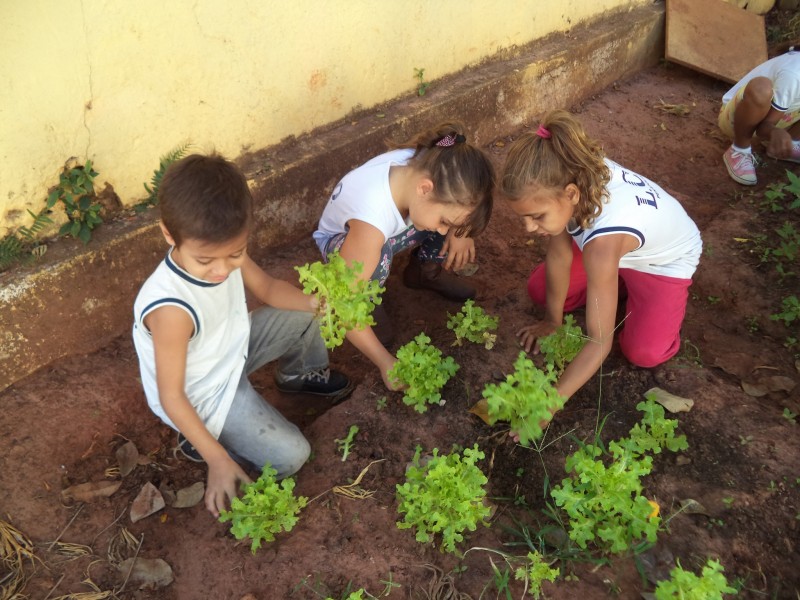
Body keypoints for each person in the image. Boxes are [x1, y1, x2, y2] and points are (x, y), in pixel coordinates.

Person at [132, 153, 352, 518]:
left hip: (233, 346)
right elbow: (172, 395)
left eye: (235, 253)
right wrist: (216, 461)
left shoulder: (221, 250)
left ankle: (299, 375)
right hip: (205, 395)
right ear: (169, 234)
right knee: (294, 455)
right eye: (206, 261)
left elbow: (266, 287)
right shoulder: (171, 309)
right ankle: (202, 441)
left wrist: (317, 302)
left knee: (303, 314)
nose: (221, 269)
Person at [500, 110, 702, 405]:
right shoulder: (566, 179)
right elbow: (559, 255)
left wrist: (549, 405)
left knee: (643, 353)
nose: (529, 228)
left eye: (536, 217)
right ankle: (613, 284)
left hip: (662, 260)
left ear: (570, 194)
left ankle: (624, 288)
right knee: (541, 291)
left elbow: (598, 342)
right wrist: (552, 321)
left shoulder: (601, 243)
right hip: (618, 247)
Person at [312, 123, 495, 389]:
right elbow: (343, 302)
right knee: (379, 253)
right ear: (424, 189)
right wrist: (385, 361)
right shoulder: (371, 223)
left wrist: (459, 232)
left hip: (392, 228)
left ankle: (424, 271)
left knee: (438, 223)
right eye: (446, 221)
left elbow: (464, 195)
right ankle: (370, 301)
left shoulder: (435, 162)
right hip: (344, 242)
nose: (445, 229)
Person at [719, 48, 800, 185]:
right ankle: (739, 149)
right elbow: (763, 128)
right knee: (761, 87)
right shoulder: (793, 73)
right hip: (739, 119)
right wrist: (775, 132)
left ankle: (788, 145)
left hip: (779, 117)